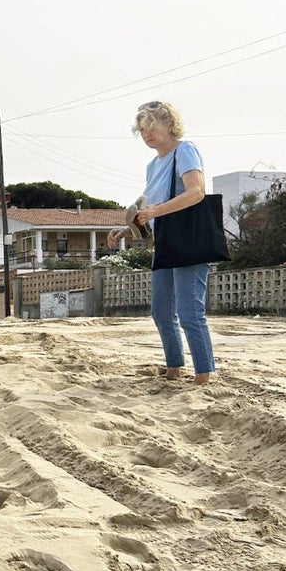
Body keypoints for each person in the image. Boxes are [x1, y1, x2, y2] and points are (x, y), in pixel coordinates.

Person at [108, 100, 215, 384]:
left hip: (189, 242)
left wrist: (156, 210)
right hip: (165, 242)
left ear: (170, 125)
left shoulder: (186, 150)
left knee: (190, 312)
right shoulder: (151, 166)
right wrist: (125, 230)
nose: (146, 135)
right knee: (161, 312)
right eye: (142, 130)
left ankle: (204, 376)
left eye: (151, 127)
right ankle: (174, 368)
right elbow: (149, 209)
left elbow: (196, 193)